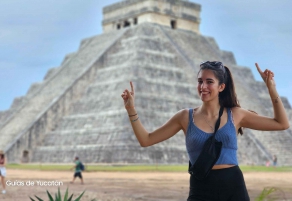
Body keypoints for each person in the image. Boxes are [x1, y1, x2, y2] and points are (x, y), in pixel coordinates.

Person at [121, 61, 289, 201]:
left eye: (209, 82)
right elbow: (146, 139)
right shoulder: (184, 117)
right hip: (201, 187)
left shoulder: (236, 114)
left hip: (233, 187)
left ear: (221, 86)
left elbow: (282, 123)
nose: (203, 86)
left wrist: (271, 88)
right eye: (200, 81)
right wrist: (131, 110)